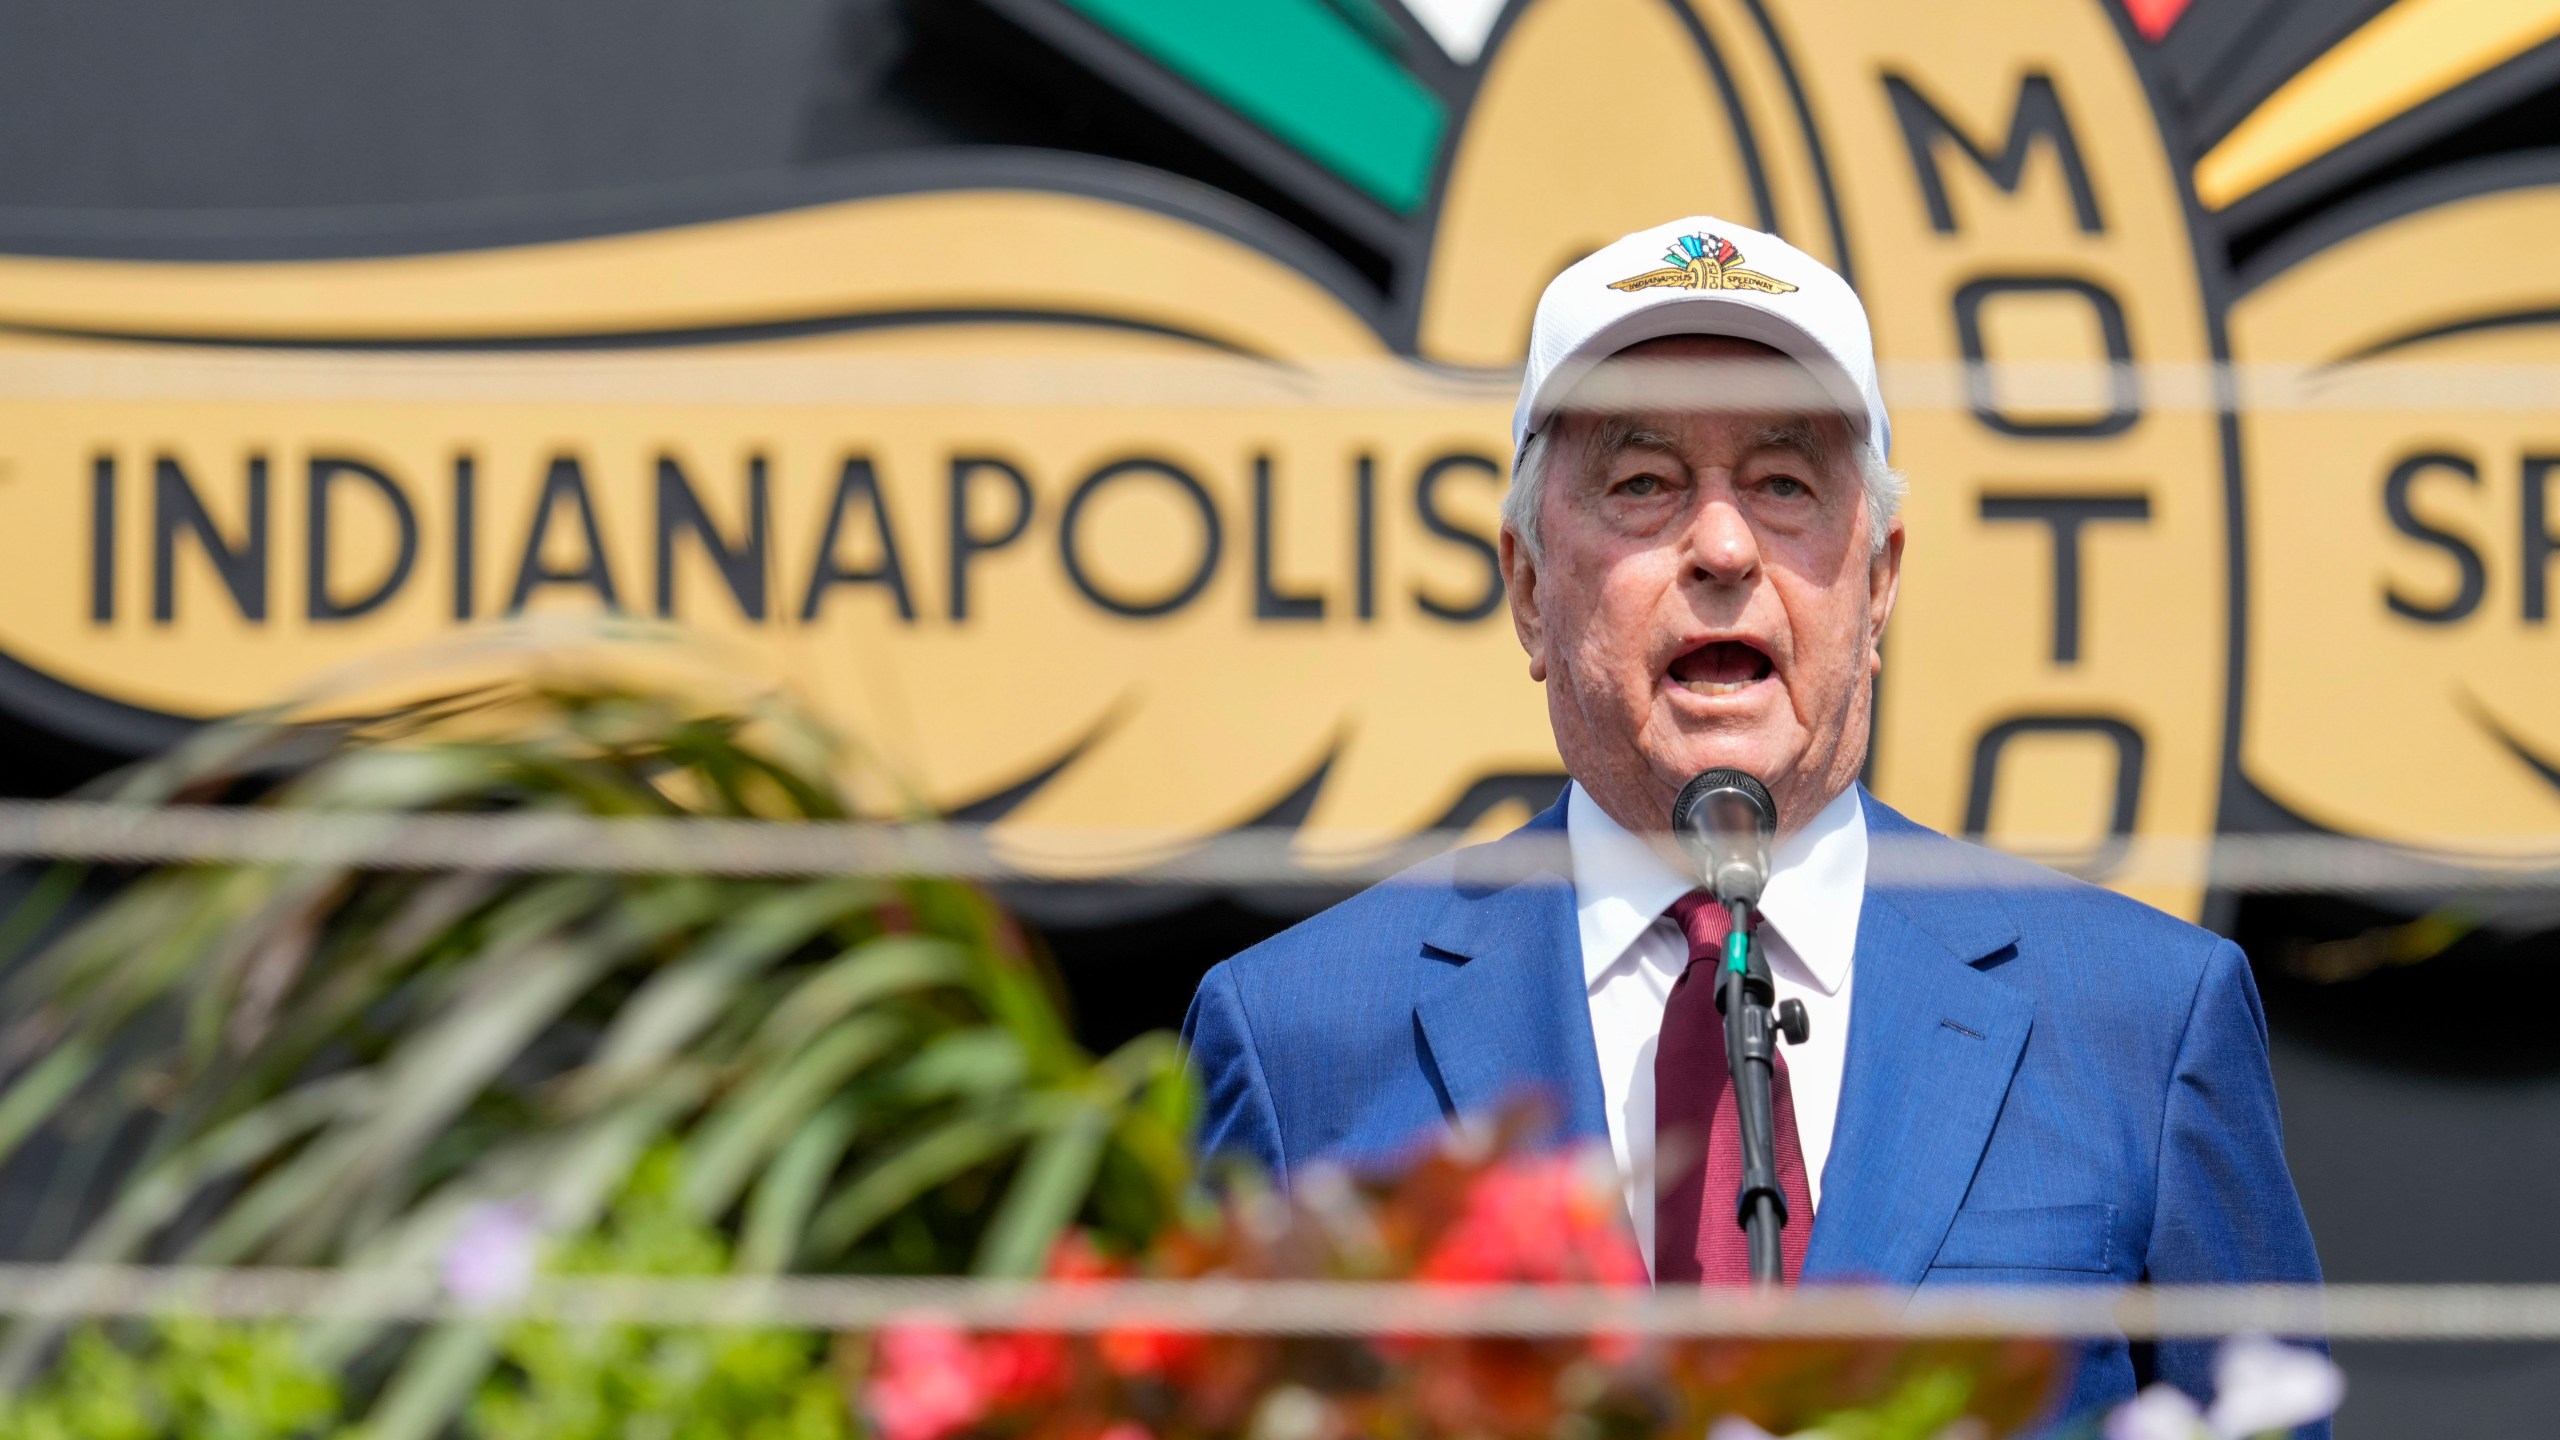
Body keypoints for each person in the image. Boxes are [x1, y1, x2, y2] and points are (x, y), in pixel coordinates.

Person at [1181, 217, 2323, 1425]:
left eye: (1783, 484)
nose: (1722, 545)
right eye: (1641, 484)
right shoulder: (1297, 1040)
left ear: (1878, 582)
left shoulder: (2141, 1025)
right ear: (1525, 585)